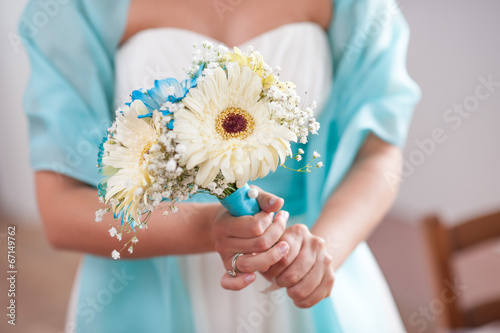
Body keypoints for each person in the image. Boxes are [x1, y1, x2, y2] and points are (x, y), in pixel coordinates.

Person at [20, 0, 420, 332]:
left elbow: (378, 153)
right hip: (145, 282)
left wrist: (321, 253)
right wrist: (209, 227)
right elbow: (60, 207)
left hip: (307, 265)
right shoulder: (73, 8)